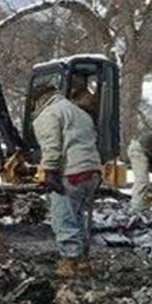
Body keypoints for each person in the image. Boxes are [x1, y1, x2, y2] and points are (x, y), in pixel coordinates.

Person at [33, 86, 103, 278]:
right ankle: (82, 261)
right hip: (92, 170)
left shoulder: (49, 114)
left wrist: (49, 170)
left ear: (38, 101)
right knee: (78, 216)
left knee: (63, 217)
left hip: (72, 172)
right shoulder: (79, 112)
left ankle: (70, 263)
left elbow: (51, 145)